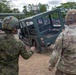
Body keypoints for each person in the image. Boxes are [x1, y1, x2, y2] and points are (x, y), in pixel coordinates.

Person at [48, 9, 76, 75]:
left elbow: (56, 54)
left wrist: (51, 65)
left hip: (65, 70)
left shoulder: (63, 35)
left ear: (67, 20)